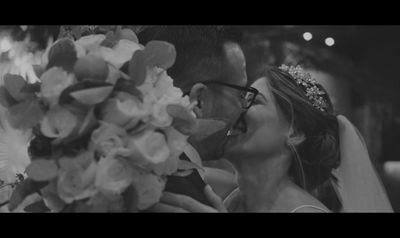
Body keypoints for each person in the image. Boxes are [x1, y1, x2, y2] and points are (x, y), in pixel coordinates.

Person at [157, 63, 393, 212]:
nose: (235, 110)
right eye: (241, 99)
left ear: (294, 133)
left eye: (254, 101)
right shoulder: (234, 203)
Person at [138, 26, 251, 211]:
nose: (245, 109)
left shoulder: (124, 171)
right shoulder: (181, 200)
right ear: (199, 101)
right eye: (241, 94)